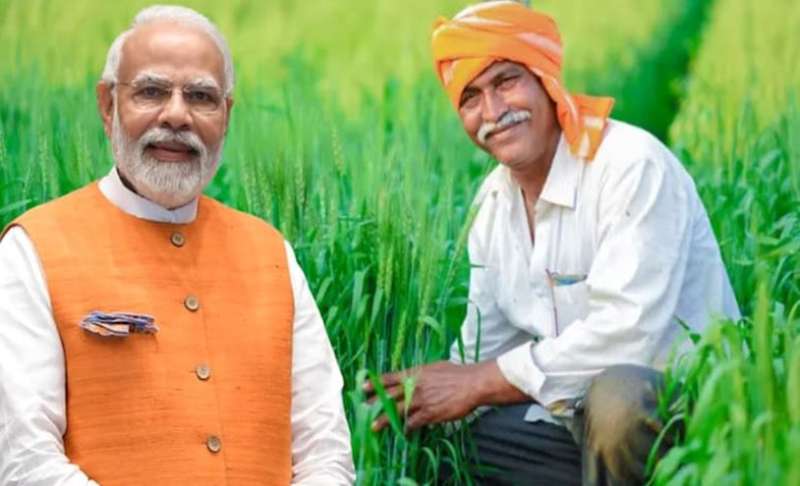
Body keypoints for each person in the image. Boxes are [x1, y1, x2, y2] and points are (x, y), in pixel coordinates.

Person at [365, 2, 740, 484]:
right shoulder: (493, 204)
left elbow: (626, 339)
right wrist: (417, 400)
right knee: (444, 446)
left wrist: (479, 383)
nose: (492, 112)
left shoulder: (629, 167)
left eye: (506, 81)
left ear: (545, 79)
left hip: (681, 422)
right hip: (574, 424)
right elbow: (485, 345)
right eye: (471, 98)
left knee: (617, 399)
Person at [0, 6, 354, 485]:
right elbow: (25, 458)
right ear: (107, 105)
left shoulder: (272, 254)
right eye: (151, 91)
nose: (176, 115)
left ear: (226, 115)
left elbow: (325, 451)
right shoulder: (33, 249)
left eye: (201, 97)